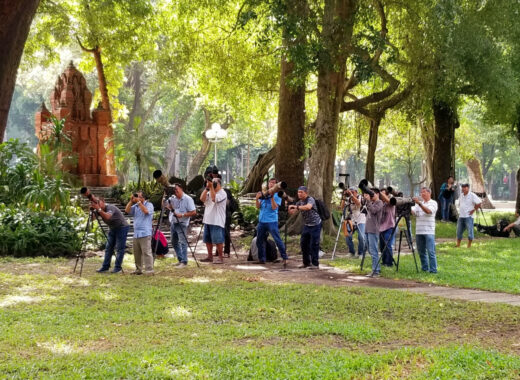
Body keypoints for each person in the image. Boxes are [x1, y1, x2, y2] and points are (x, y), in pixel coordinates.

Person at [90, 198, 130, 273]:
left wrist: (98, 209)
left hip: (122, 227)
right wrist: (92, 210)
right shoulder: (99, 210)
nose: (98, 204)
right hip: (112, 228)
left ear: (104, 202)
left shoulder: (110, 207)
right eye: (96, 202)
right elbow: (92, 219)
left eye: (99, 202)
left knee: (119, 248)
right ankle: (105, 266)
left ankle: (118, 268)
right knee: (108, 248)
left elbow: (108, 216)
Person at [255, 178, 288, 266]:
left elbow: (274, 207)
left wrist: (272, 198)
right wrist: (257, 199)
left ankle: (285, 258)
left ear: (276, 185)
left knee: (277, 239)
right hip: (262, 221)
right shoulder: (264, 193)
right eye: (270, 182)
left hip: (272, 221)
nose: (271, 184)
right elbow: (258, 207)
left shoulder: (278, 195)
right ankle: (262, 259)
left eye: (273, 183)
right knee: (259, 240)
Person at [288, 186, 322, 269]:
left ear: (306, 193)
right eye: (298, 192)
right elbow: (293, 213)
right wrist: (289, 208)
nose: (299, 194)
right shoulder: (299, 202)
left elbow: (308, 207)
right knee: (303, 243)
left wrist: (297, 207)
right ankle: (306, 263)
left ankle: (315, 264)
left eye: (301, 192)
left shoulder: (310, 199)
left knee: (314, 244)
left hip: (316, 224)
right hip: (307, 225)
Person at [165, 184, 196, 268]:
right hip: (173, 222)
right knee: (174, 242)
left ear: (181, 189)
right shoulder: (172, 198)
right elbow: (164, 205)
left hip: (182, 223)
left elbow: (193, 212)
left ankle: (184, 261)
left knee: (183, 242)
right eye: (174, 190)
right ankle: (180, 259)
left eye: (177, 189)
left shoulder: (188, 199)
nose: (175, 191)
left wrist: (182, 215)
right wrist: (165, 195)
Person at [125, 191, 154, 275]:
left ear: (143, 198)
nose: (137, 197)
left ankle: (149, 270)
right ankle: (138, 269)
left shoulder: (149, 205)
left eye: (139, 196)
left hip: (145, 232)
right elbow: (127, 210)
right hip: (136, 233)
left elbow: (146, 211)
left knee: (146, 252)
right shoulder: (135, 206)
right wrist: (131, 201)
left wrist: (139, 202)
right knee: (137, 253)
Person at [200, 177, 227, 264]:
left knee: (218, 240)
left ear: (218, 184)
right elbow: (202, 199)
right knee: (207, 240)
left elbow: (214, 199)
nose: (212, 184)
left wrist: (211, 187)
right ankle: (209, 256)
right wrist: (207, 187)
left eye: (214, 183)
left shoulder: (223, 193)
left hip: (217, 220)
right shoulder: (209, 191)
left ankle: (220, 258)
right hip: (208, 219)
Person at [412, 187, 438, 273]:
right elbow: (414, 212)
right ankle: (424, 268)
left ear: (429, 193)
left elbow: (428, 211)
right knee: (421, 251)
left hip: (429, 231)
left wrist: (419, 204)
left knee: (431, 251)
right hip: (419, 230)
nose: (422, 194)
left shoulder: (433, 203)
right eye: (421, 192)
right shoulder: (418, 204)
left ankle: (433, 270)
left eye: (424, 192)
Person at [340, 187, 366, 258]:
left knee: (361, 237)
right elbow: (342, 207)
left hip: (361, 220)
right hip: (351, 220)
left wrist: (351, 195)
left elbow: (358, 203)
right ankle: (351, 252)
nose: (351, 193)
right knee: (347, 235)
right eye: (350, 192)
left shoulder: (361, 197)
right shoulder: (349, 199)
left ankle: (360, 253)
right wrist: (344, 197)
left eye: (353, 192)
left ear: (356, 192)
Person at [364, 188, 384, 277]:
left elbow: (373, 211)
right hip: (367, 229)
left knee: (374, 250)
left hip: (373, 230)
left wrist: (368, 201)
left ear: (377, 194)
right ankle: (375, 268)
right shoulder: (370, 203)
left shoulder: (379, 203)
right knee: (370, 250)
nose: (371, 196)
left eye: (373, 194)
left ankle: (376, 270)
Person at [456, 183, 482, 248]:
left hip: (469, 216)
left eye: (465, 187)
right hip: (461, 216)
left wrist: (473, 210)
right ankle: (458, 244)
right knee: (459, 231)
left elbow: (479, 202)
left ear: (468, 188)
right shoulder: (461, 195)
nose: (463, 189)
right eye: (462, 187)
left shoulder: (472, 195)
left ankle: (469, 245)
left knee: (470, 231)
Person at [379, 188, 396, 267]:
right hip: (381, 227)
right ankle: (384, 261)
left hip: (389, 227)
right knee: (382, 246)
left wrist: (380, 193)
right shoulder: (380, 203)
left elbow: (388, 201)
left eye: (383, 194)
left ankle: (389, 263)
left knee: (388, 245)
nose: (381, 195)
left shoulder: (391, 201)